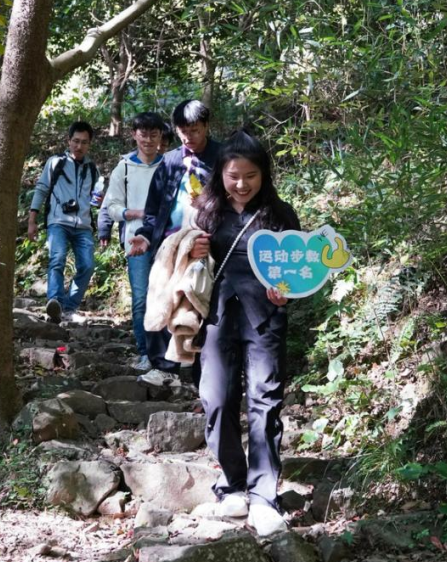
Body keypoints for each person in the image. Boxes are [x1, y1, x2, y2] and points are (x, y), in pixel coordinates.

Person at [188, 131, 300, 536]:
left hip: (265, 318)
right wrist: (192, 250)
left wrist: (286, 292)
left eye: (250, 175)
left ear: (263, 174)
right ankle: (233, 485)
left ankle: (264, 496)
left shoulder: (280, 215)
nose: (241, 184)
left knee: (265, 401)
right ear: (221, 173)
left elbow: (296, 270)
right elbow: (181, 260)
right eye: (233, 175)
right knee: (216, 399)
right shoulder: (206, 211)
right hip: (217, 316)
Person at [129, 100, 221, 385]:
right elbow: (154, 209)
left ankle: (201, 373)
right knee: (161, 299)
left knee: (200, 304)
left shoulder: (223, 157)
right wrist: (146, 235)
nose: (188, 137)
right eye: (183, 131)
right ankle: (163, 368)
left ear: (206, 126)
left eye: (194, 130)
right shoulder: (169, 161)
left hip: (206, 243)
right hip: (169, 244)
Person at [101, 111, 167, 371]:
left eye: (154, 134)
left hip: (166, 241)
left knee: (165, 295)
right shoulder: (124, 168)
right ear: (134, 135)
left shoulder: (169, 165)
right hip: (135, 241)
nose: (148, 140)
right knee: (141, 297)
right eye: (143, 134)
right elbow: (112, 206)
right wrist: (137, 213)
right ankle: (145, 352)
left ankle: (166, 353)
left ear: (160, 136)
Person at [28, 121, 103, 321]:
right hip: (58, 221)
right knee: (57, 258)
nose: (79, 146)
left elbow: (96, 198)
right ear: (68, 141)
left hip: (83, 224)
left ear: (89, 144)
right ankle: (55, 302)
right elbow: (42, 189)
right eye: (76, 141)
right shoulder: (56, 162)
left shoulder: (92, 169)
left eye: (84, 142)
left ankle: (69, 308)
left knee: (87, 265)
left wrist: (100, 201)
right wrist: (32, 220)